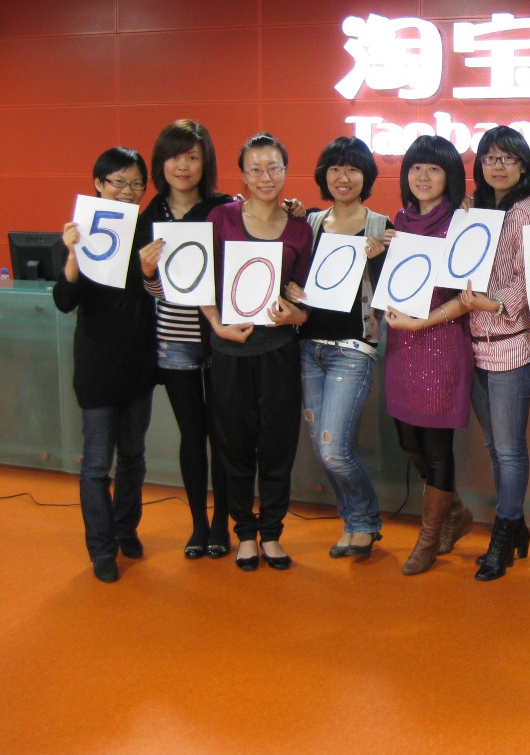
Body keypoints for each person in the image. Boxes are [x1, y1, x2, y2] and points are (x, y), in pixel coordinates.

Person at [201, 133, 312, 572]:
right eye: (255, 169)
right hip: (229, 351)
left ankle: (272, 533)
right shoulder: (221, 218)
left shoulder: (301, 228)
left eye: (273, 168)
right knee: (234, 446)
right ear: (243, 175)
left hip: (279, 350)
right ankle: (244, 533)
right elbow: (199, 279)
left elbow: (308, 295)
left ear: (285, 171)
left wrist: (297, 315)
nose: (265, 177)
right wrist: (216, 324)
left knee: (278, 445)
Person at [284, 137, 390, 560]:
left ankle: (365, 521)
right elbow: (290, 272)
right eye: (335, 169)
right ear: (323, 175)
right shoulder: (309, 222)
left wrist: (379, 258)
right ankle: (354, 523)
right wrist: (292, 291)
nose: (343, 178)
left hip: (352, 349)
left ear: (366, 176)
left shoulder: (381, 226)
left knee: (333, 449)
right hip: (308, 347)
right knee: (323, 448)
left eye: (352, 169)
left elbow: (395, 292)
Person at [53, 148, 156, 583]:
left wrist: (150, 272)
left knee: (133, 456)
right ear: (98, 184)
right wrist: (73, 256)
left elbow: (162, 290)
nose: (128, 191)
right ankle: (101, 548)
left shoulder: (148, 229)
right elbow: (64, 301)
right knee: (97, 464)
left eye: (136, 184)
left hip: (139, 360)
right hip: (97, 364)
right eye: (118, 182)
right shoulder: (82, 231)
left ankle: (125, 529)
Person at [136, 120, 234, 560]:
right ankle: (198, 524)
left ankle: (222, 523)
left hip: (221, 337)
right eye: (175, 156)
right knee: (191, 435)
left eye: (193, 156)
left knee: (223, 434)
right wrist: (148, 273)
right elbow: (155, 293)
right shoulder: (150, 216)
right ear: (161, 162)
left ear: (205, 163)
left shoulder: (224, 209)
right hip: (173, 339)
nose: (183, 165)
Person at [383, 135, 474, 576]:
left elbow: (468, 296)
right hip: (402, 346)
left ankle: (428, 537)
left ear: (449, 177)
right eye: (416, 167)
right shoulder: (398, 223)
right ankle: (454, 511)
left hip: (442, 343)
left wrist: (424, 322)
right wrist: (378, 254)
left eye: (434, 169)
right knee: (408, 440)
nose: (423, 176)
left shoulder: (463, 223)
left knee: (437, 447)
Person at [460, 126, 530, 581]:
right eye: (489, 158)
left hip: (512, 345)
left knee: (510, 450)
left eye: (507, 158)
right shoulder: (473, 211)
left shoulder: (529, 212)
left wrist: (494, 303)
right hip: (473, 345)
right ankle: (516, 529)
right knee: (495, 448)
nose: (497, 166)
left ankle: (503, 532)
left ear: (523, 164)